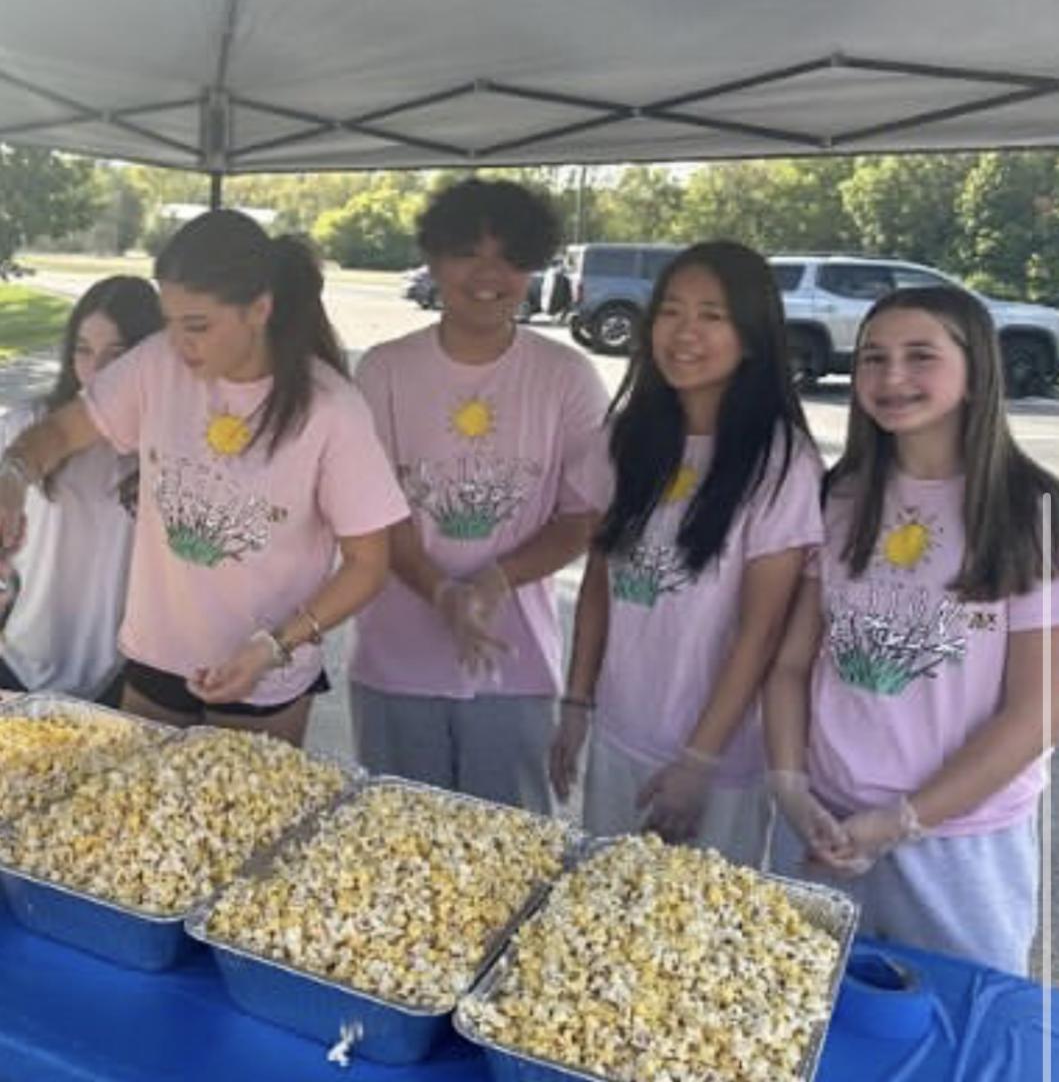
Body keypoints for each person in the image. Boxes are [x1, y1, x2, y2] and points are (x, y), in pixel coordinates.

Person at [0, 210, 408, 744]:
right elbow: (57, 432)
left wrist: (274, 645)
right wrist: (13, 476)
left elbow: (367, 564)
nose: (178, 343)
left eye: (197, 327)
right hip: (155, 658)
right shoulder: (155, 365)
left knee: (243, 798)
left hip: (265, 672)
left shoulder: (330, 409)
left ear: (259, 309)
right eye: (169, 321)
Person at [764, 286, 1058, 975]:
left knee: (955, 1017)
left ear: (975, 371)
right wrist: (788, 784)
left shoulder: (1031, 510)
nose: (891, 376)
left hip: (958, 845)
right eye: (873, 357)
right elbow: (791, 664)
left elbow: (1038, 710)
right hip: (823, 825)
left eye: (920, 355)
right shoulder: (839, 495)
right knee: (804, 1006)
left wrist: (903, 820)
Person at [550, 241, 823, 866]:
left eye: (712, 316)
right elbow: (599, 582)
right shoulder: (626, 438)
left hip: (718, 764)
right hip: (621, 734)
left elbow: (762, 631)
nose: (684, 333)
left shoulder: (782, 462)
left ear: (751, 338)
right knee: (608, 902)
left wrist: (699, 761)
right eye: (670, 311)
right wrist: (577, 703)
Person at [351, 177, 608, 812]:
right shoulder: (384, 370)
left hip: (514, 668)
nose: (488, 275)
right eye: (467, 253)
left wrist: (495, 580)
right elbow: (374, 513)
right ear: (434, 260)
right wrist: (440, 591)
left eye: (510, 257)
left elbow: (580, 516)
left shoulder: (567, 376)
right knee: (396, 843)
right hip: (395, 663)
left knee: (508, 849)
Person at [0, 276, 163, 704]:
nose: (95, 371)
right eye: (84, 350)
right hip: (17, 662)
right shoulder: (25, 427)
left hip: (119, 673)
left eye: (117, 355)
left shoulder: (161, 447)